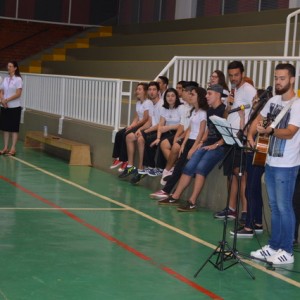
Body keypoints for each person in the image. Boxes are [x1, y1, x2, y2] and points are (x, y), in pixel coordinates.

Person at [249, 63, 300, 265]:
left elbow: (290, 132)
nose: (278, 82)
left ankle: (287, 250)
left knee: (284, 207)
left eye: (282, 78)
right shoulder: (272, 100)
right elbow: (259, 120)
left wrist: (269, 131)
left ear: (292, 79)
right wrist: (252, 135)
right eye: (276, 78)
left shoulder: (297, 105)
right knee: (274, 206)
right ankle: (273, 245)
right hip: (269, 160)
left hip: (287, 164)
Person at [158, 84, 226, 212]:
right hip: (206, 144)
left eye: (209, 93)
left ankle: (192, 201)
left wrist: (216, 144)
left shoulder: (224, 110)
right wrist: (202, 142)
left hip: (219, 147)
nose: (207, 96)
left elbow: (228, 132)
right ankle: (175, 196)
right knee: (188, 167)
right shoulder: (210, 110)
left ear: (218, 95)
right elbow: (207, 131)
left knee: (200, 168)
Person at [214, 61, 256, 222]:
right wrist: (229, 104)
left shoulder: (249, 90)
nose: (233, 78)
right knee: (232, 175)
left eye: (236, 75)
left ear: (242, 73)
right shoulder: (233, 91)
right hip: (229, 137)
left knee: (241, 175)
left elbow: (256, 112)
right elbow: (226, 115)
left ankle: (245, 213)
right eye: (231, 75)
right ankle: (231, 209)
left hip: (241, 138)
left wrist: (247, 133)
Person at [150, 86, 208, 200]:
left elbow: (201, 132)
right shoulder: (194, 111)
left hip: (194, 143)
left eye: (193, 94)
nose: (190, 96)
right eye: (190, 94)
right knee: (178, 168)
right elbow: (189, 129)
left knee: (183, 169)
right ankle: (167, 191)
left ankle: (172, 193)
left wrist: (193, 148)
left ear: (199, 97)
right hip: (188, 141)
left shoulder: (203, 113)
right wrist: (183, 144)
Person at [230, 88, 273, 237]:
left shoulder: (265, 116)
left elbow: (255, 134)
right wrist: (242, 118)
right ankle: (258, 222)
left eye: (256, 98)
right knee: (253, 190)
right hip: (251, 155)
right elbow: (245, 132)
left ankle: (249, 226)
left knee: (251, 189)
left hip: (257, 155)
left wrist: (250, 139)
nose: (254, 100)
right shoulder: (253, 115)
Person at [110, 82, 151, 172]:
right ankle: (118, 158)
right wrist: (131, 125)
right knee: (119, 134)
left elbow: (145, 119)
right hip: (137, 124)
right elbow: (136, 117)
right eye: (137, 89)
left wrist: (134, 127)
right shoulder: (138, 103)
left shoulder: (148, 103)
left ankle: (125, 160)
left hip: (143, 125)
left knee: (126, 134)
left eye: (140, 89)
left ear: (145, 91)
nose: (137, 91)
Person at [129, 81, 163, 183]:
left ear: (158, 91)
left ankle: (143, 168)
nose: (151, 92)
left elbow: (160, 124)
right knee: (134, 137)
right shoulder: (151, 103)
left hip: (158, 130)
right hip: (152, 128)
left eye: (154, 90)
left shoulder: (161, 104)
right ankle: (140, 168)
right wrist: (141, 129)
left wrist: (146, 130)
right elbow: (149, 120)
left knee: (142, 138)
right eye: (150, 90)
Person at [147, 87, 184, 176]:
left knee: (163, 143)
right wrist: (158, 137)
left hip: (178, 132)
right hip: (167, 131)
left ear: (176, 97)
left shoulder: (181, 108)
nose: (170, 98)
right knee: (150, 139)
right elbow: (161, 124)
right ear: (165, 98)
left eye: (172, 96)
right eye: (168, 96)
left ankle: (161, 168)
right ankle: (150, 165)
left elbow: (183, 125)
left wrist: (169, 127)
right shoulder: (164, 108)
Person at [0, 61, 23, 156]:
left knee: (13, 128)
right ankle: (5, 147)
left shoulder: (18, 79)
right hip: (4, 106)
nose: (8, 68)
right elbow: (1, 91)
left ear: (15, 68)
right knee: (5, 128)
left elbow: (18, 94)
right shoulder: (5, 79)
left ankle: (13, 148)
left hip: (14, 106)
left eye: (10, 66)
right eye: (8, 66)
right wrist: (2, 100)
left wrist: (7, 100)